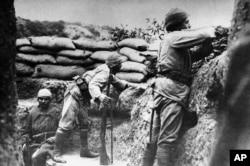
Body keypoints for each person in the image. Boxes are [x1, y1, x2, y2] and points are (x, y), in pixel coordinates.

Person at [141, 8, 219, 166]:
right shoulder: (174, 37)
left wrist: (208, 47)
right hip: (172, 91)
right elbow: (203, 34)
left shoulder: (172, 41)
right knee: (166, 141)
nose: (189, 25)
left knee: (154, 138)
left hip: (163, 89)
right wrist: (215, 31)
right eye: (186, 22)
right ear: (178, 24)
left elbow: (193, 56)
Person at [53, 54, 139, 163]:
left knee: (84, 123)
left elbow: (119, 83)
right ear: (114, 65)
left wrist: (135, 87)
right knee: (66, 124)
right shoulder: (105, 72)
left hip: (83, 97)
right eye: (120, 64)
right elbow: (93, 85)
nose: (121, 66)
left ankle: (84, 150)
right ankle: (55, 153)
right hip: (74, 95)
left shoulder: (108, 73)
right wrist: (100, 96)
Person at [22, 88, 60, 166]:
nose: (43, 101)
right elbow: (27, 130)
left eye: (46, 99)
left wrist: (55, 138)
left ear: (50, 100)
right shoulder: (33, 112)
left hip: (50, 143)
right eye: (41, 99)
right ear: (38, 99)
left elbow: (63, 130)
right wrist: (27, 139)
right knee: (25, 150)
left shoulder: (56, 112)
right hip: (35, 142)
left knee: (36, 156)